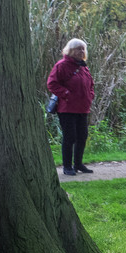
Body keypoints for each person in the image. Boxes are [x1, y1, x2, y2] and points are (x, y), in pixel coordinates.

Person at [46, 38, 95, 176]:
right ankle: (67, 166)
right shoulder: (61, 65)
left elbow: (91, 85)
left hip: (82, 108)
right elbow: (52, 84)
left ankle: (78, 164)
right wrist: (66, 94)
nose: (81, 51)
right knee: (70, 137)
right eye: (78, 48)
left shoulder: (83, 67)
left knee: (82, 136)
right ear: (70, 50)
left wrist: (90, 96)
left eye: (83, 49)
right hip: (67, 108)